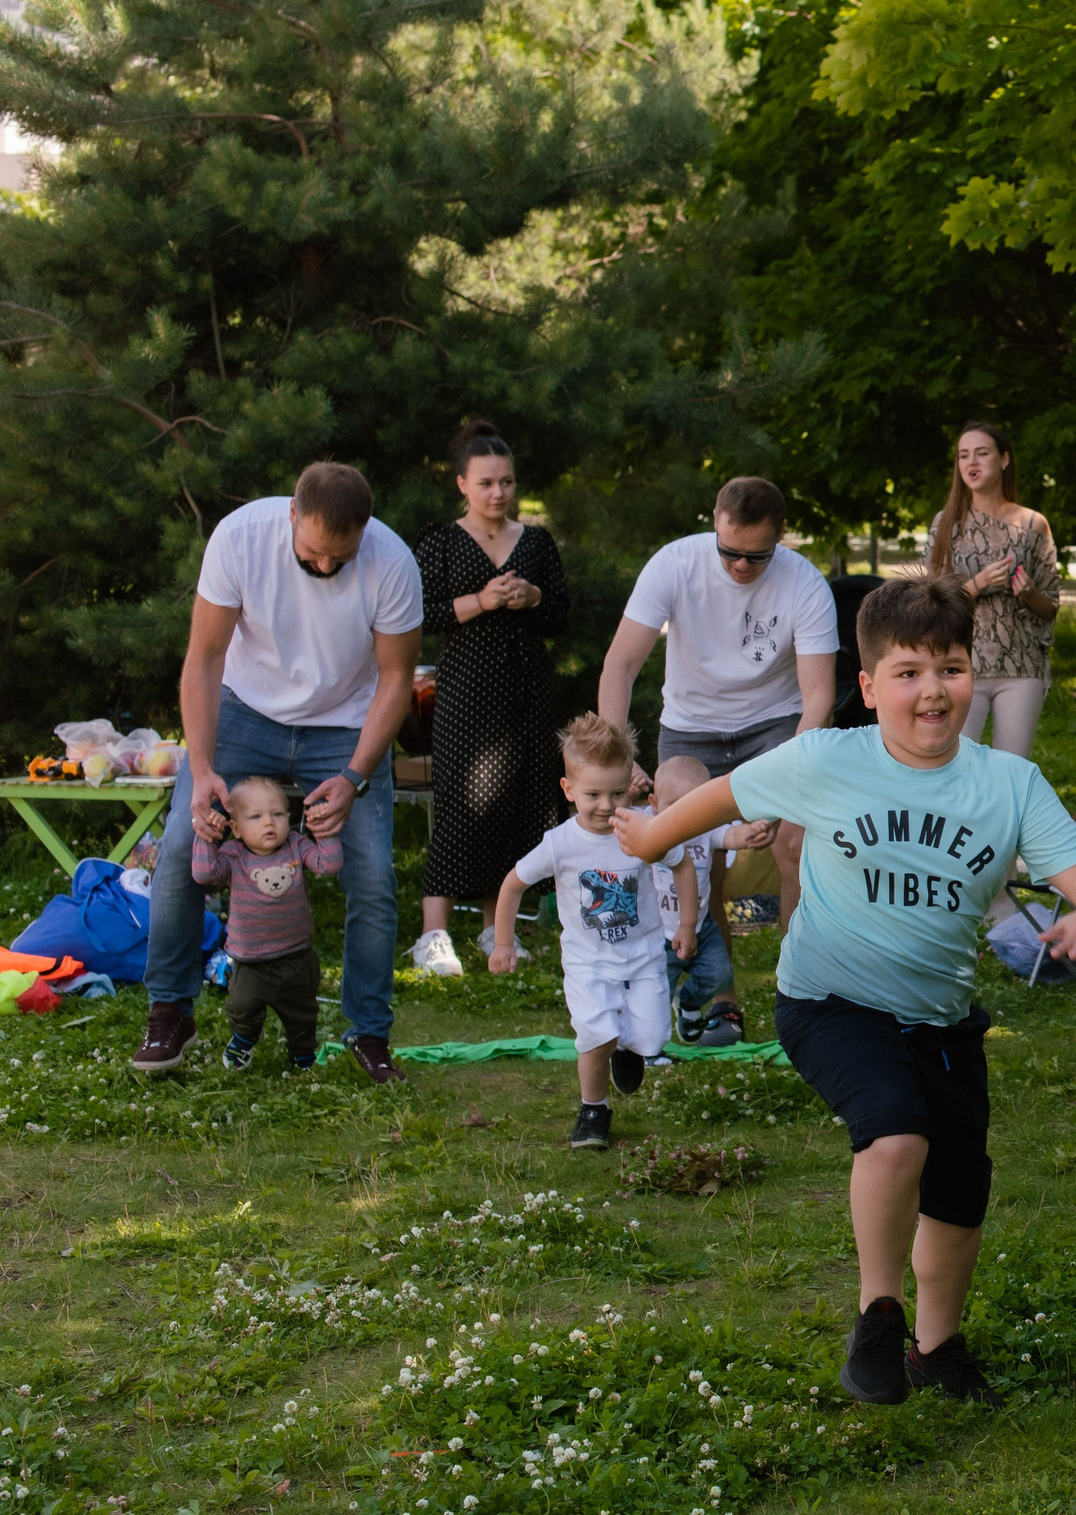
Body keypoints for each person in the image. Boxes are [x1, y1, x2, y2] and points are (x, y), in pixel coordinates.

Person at [617, 575, 1076, 1405]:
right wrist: (649, 838)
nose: (933, 690)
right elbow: (726, 791)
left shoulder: (1007, 784)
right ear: (868, 686)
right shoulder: (828, 759)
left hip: (942, 1019)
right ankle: (877, 1321)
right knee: (893, 1135)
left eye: (952, 669)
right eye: (909, 672)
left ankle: (937, 1346)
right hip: (829, 1001)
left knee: (960, 1202)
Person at [136, 463, 423, 1083]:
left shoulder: (393, 563)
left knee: (372, 876)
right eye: (314, 554)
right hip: (245, 710)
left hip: (346, 723)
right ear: (292, 516)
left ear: (364, 533)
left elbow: (396, 680)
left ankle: (368, 1031)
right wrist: (204, 766)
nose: (325, 568)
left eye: (339, 559)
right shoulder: (239, 538)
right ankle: (170, 1012)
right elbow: (206, 657)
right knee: (185, 845)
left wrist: (352, 778)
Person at [600, 475, 837, 1046]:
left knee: (793, 846)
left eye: (755, 556)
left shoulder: (804, 583)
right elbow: (620, 666)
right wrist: (620, 756)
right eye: (728, 551)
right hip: (690, 728)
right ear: (714, 521)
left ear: (780, 538)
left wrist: (791, 776)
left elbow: (819, 699)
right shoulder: (674, 565)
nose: (738, 566)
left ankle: (800, 996)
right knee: (699, 862)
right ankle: (722, 1003)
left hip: (775, 723)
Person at [490, 714, 696, 1151]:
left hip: (643, 957)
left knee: (654, 1037)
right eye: (593, 794)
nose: (606, 805)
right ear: (568, 791)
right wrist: (504, 942)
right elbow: (512, 884)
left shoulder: (642, 828)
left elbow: (681, 864)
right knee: (594, 1034)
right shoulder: (560, 843)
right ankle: (593, 1110)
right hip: (587, 962)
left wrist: (686, 924)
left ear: (631, 786)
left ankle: (628, 1048)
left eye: (617, 793)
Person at [411, 423, 570, 975]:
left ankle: (494, 930)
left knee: (524, 806)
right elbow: (421, 614)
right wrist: (480, 599)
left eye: (506, 483)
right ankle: (434, 936)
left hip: (526, 691)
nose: (498, 493)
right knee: (459, 806)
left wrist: (532, 596)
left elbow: (561, 616)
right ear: (462, 484)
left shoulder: (536, 542)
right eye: (485, 483)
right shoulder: (441, 541)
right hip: (465, 691)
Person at [925, 422, 1063, 758]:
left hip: (1021, 667)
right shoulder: (946, 524)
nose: (971, 463)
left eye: (981, 453)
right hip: (958, 665)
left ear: (1004, 459)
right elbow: (928, 603)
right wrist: (979, 583)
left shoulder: (1033, 524)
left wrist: (1028, 591)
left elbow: (1051, 608)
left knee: (1012, 773)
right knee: (953, 766)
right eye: (963, 455)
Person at [192, 775, 341, 1072]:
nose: (269, 823)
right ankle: (244, 1039)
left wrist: (323, 833)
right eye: (256, 816)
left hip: (296, 956)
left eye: (277, 814)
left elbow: (330, 864)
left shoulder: (296, 846)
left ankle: (302, 1055)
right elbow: (203, 874)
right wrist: (206, 837)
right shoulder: (234, 854)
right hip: (251, 961)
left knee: (302, 1012)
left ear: (289, 817)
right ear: (235, 827)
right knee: (242, 1006)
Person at [645, 755, 776, 1054]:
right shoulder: (650, 829)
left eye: (692, 806)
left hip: (701, 928)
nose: (683, 816)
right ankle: (649, 1048)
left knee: (720, 976)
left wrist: (750, 832)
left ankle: (689, 1000)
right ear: (654, 804)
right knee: (654, 995)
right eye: (673, 805)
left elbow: (730, 835)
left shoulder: (704, 832)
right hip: (658, 934)